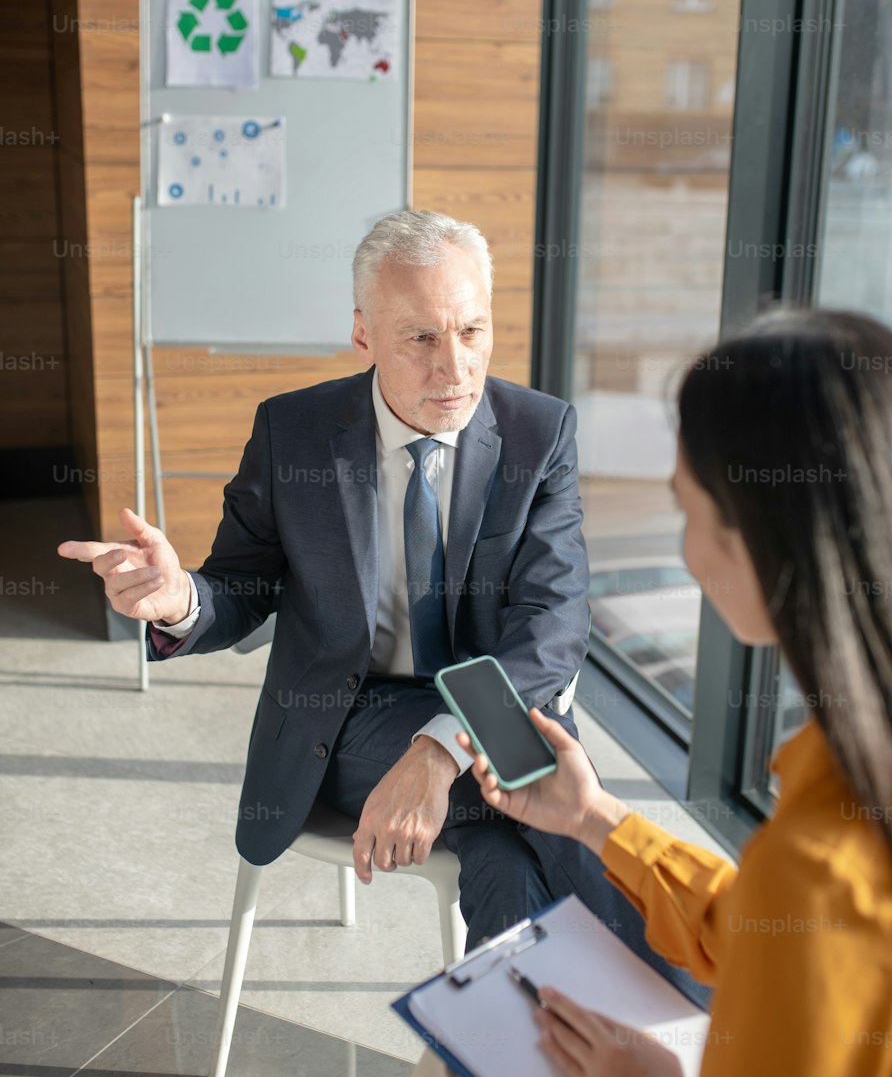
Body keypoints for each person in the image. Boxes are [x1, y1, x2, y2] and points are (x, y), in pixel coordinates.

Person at [310, 307, 892, 1077]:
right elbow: (796, 933)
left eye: (690, 512)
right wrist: (599, 822)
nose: (683, 552)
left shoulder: (827, 848)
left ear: (765, 540)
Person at [57, 209, 686, 978]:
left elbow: (552, 630)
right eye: (420, 337)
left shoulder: (537, 432)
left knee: (502, 861)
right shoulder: (294, 433)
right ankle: (710, 1026)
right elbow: (242, 588)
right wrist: (181, 598)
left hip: (492, 706)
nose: (453, 368)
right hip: (352, 714)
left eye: (471, 332)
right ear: (364, 335)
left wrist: (442, 750)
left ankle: (532, 1066)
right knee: (554, 800)